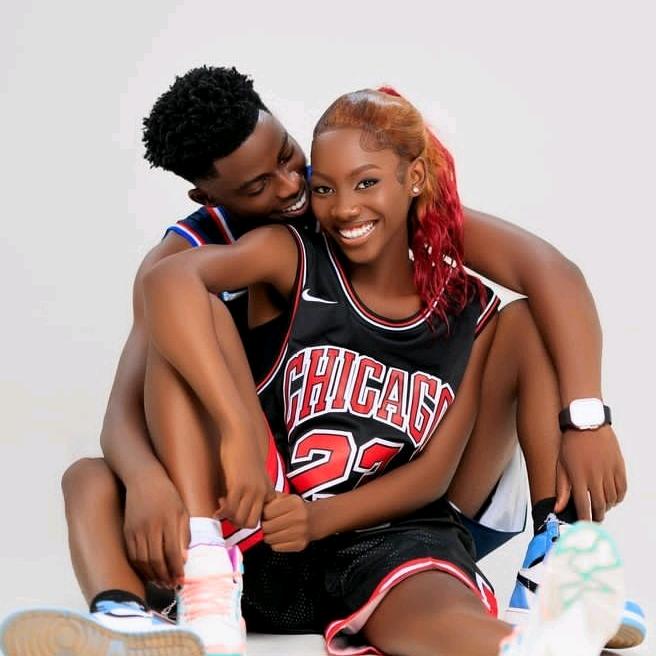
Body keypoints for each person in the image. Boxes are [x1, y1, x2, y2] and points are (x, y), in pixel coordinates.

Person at [1, 67, 643, 656]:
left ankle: (548, 587)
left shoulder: (409, 232)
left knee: (526, 326)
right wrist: (183, 463)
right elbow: (135, 380)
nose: (296, 190)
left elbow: (550, 275)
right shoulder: (238, 250)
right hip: (263, 511)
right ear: (211, 196)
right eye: (263, 185)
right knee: (96, 469)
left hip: (396, 516)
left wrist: (586, 419)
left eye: (290, 160)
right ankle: (151, 605)